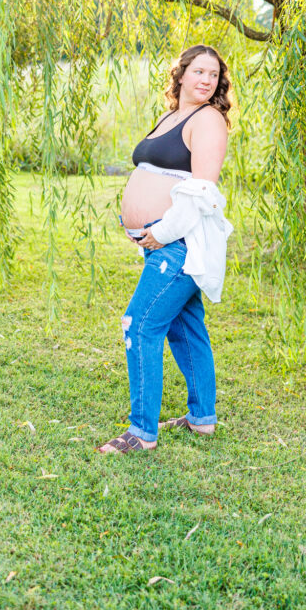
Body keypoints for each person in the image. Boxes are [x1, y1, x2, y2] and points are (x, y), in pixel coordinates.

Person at [98, 44, 233, 453]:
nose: (207, 80)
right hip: (162, 245)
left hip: (180, 243)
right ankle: (202, 419)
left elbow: (202, 193)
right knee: (184, 326)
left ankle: (141, 433)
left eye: (214, 75)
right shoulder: (173, 115)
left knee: (139, 325)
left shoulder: (209, 120)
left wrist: (162, 232)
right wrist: (139, 224)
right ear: (181, 74)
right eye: (199, 72)